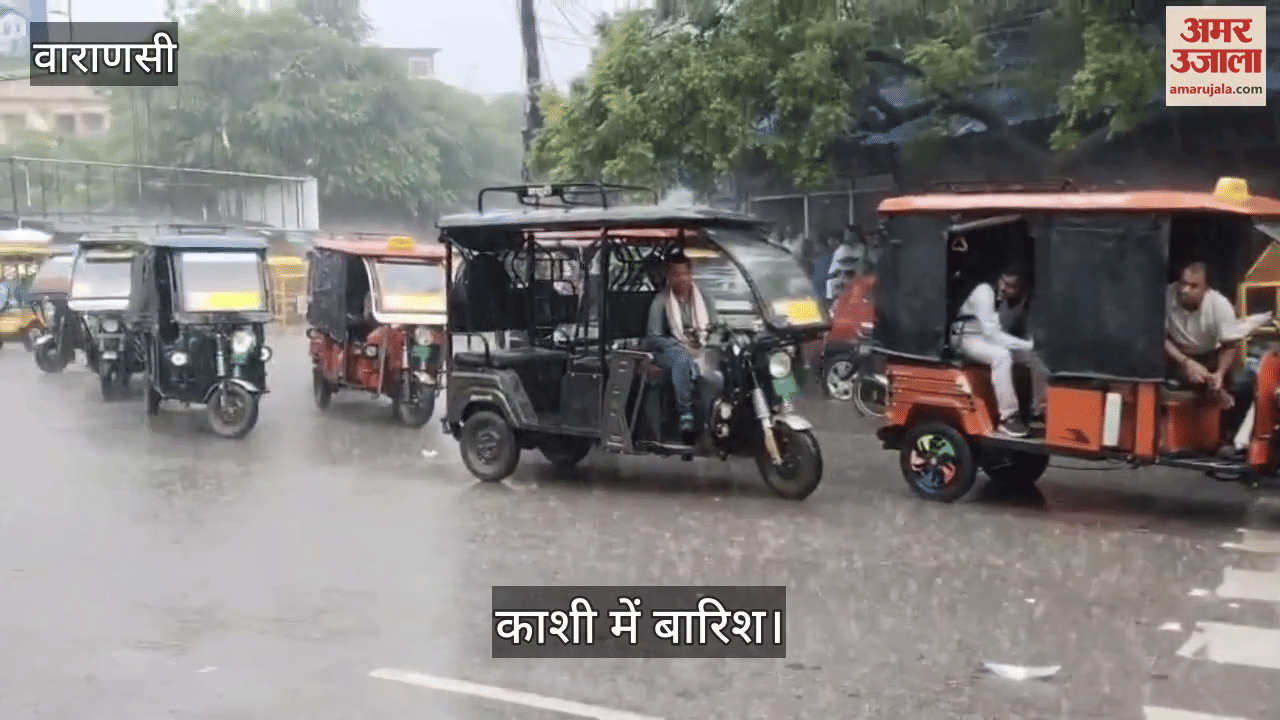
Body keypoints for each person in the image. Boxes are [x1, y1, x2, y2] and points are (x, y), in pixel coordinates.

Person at [952, 262, 1049, 438]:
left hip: (984, 339)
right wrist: (1027, 344)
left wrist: (1029, 348)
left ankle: (1038, 409)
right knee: (1001, 357)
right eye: (1004, 282)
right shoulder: (984, 291)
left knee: (1030, 357)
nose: (1005, 288)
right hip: (966, 337)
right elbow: (992, 335)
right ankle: (1008, 417)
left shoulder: (1004, 301)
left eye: (1012, 286)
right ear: (999, 279)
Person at [646, 251, 720, 435]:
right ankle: (685, 413)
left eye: (684, 274)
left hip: (701, 345)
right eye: (676, 275)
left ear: (690, 274)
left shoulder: (704, 297)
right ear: (669, 276)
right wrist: (678, 344)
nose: (681, 279)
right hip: (669, 351)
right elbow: (653, 337)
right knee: (681, 359)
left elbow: (716, 327)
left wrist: (708, 344)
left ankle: (722, 414)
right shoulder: (661, 301)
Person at [1164, 260, 1244, 414]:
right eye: (1183, 283)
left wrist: (1220, 373)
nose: (1185, 290)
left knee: (1221, 396)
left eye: (1193, 286)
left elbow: (1230, 345)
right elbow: (1158, 338)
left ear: (1206, 288)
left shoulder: (1220, 305)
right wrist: (1185, 362)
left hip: (1210, 356)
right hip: (1174, 354)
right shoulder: (1165, 296)